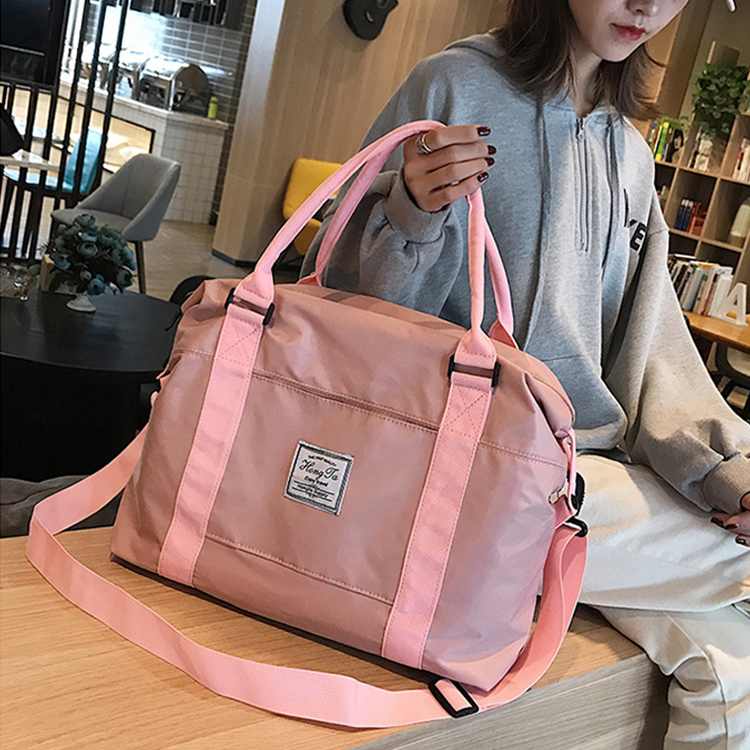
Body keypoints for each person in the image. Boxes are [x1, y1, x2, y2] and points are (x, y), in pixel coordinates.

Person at [301, 1, 750, 748]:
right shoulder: (451, 87)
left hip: (576, 478)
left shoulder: (630, 153)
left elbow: (649, 345)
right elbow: (346, 317)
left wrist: (726, 471)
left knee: (737, 675)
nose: (647, 4)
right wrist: (410, 214)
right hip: (451, 468)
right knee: (730, 563)